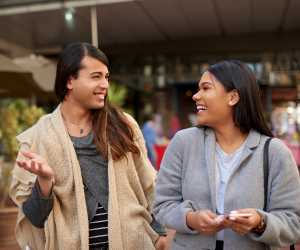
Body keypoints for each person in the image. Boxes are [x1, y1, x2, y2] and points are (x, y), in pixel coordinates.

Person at [9, 42, 166, 250]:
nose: (105, 84)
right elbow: (35, 219)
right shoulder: (39, 137)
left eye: (106, 77)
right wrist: (45, 180)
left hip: (134, 243)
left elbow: (148, 185)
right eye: (95, 76)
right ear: (69, 80)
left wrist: (160, 233)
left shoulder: (123, 125)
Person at [152, 60, 300, 250]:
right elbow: (162, 205)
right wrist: (190, 219)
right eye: (198, 89)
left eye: (206, 88)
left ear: (233, 97)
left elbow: (293, 224)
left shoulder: (275, 152)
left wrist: (260, 222)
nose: (196, 96)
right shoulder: (183, 142)